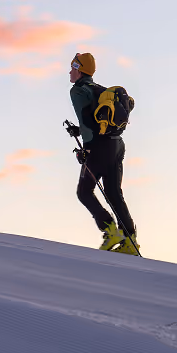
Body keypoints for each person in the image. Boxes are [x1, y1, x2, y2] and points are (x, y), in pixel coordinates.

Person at [69, 52, 139, 255]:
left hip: (98, 147)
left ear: (80, 70)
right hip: (117, 146)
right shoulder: (100, 89)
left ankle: (110, 232)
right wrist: (78, 131)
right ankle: (130, 241)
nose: (70, 71)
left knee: (84, 192)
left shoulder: (78, 91)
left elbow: (88, 121)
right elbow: (99, 119)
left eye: (73, 67)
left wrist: (86, 148)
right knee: (114, 193)